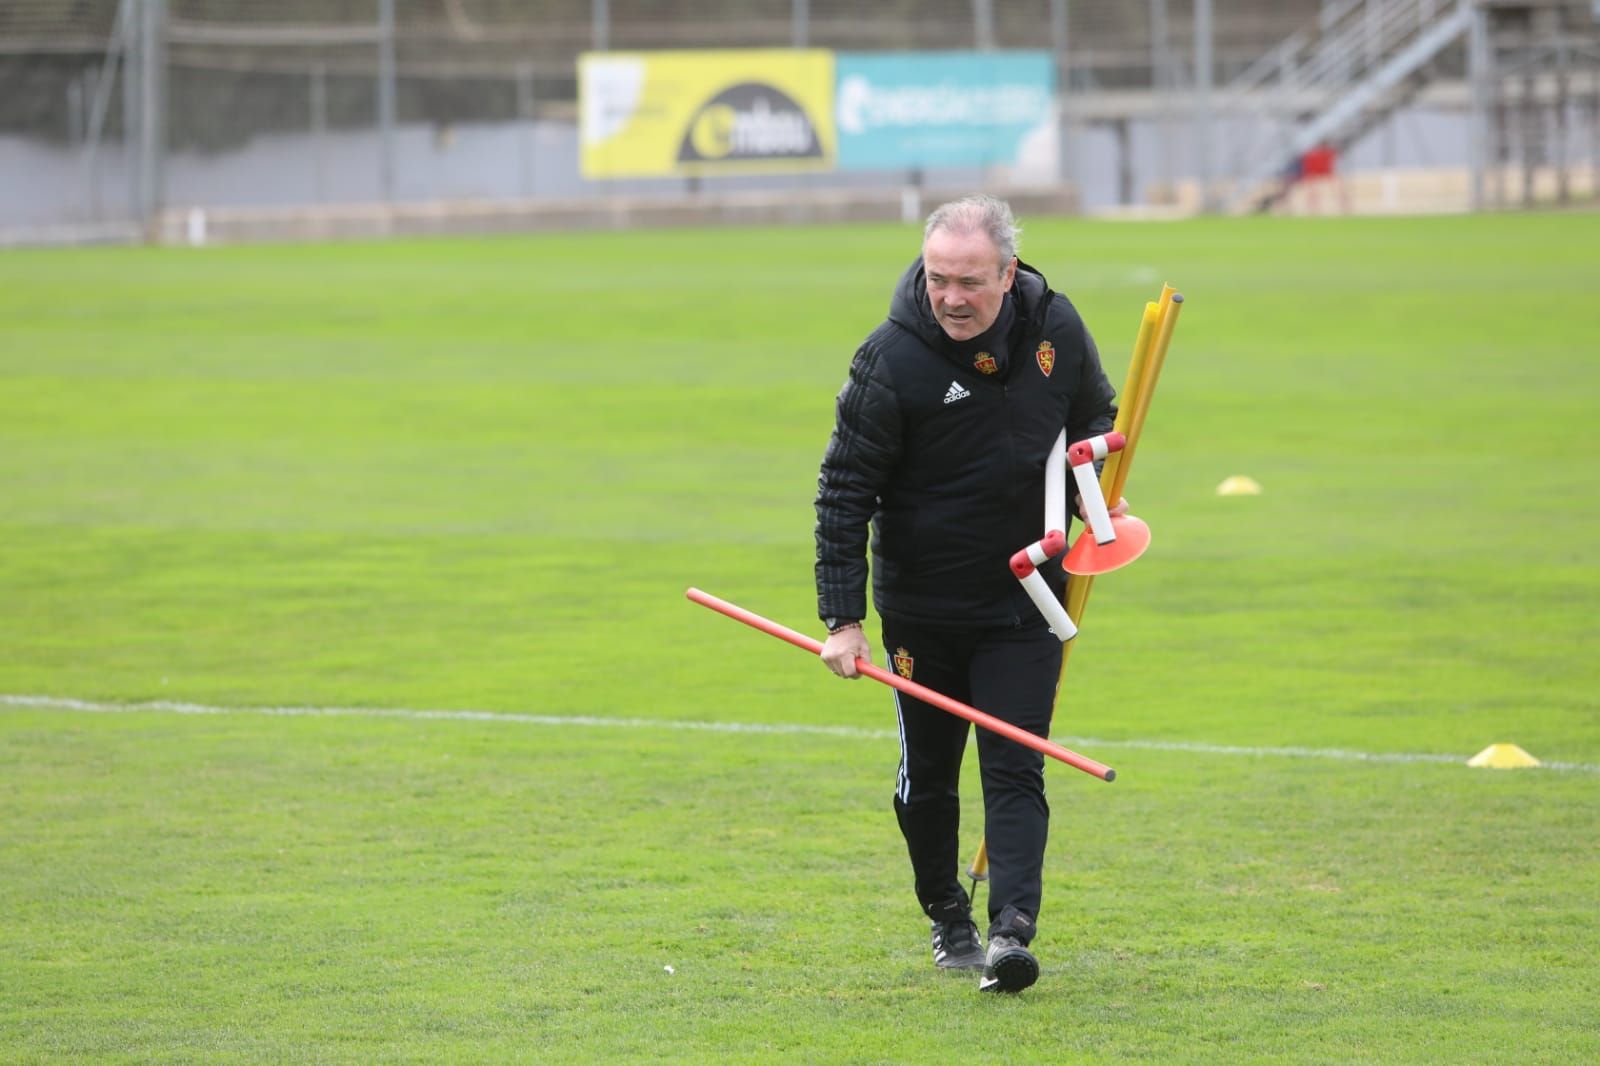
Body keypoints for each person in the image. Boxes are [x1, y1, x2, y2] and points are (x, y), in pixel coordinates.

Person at [813, 194, 1119, 994]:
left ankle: (1012, 932)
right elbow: (843, 491)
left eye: (971, 281)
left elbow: (1093, 421)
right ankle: (948, 913)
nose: (951, 296)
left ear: (1008, 273)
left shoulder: (1057, 329)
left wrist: (1098, 502)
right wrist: (844, 621)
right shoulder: (891, 359)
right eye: (939, 277)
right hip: (925, 609)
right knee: (931, 780)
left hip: (1028, 600)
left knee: (1017, 765)